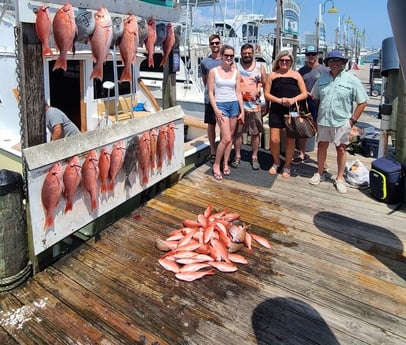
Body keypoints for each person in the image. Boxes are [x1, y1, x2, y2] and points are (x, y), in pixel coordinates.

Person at [309, 50, 368, 193]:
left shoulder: (351, 79)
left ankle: (340, 178)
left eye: (337, 61)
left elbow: (362, 101)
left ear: (343, 63)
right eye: (331, 61)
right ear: (327, 63)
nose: (334, 63)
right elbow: (315, 98)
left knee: (341, 149)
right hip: (323, 119)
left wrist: (352, 121)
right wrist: (315, 117)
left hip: (342, 121)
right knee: (322, 145)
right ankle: (320, 173)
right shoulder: (322, 78)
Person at [263, 50, 308, 178]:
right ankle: (276, 162)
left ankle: (287, 165)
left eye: (287, 61)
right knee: (274, 140)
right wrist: (279, 100)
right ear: (278, 61)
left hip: (292, 111)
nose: (284, 63)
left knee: (290, 140)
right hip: (276, 110)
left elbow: (304, 93)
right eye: (282, 60)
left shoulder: (296, 75)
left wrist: (293, 100)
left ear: (291, 62)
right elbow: (266, 94)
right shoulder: (272, 75)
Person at [207, 44, 244, 180]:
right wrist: (216, 109)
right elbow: (211, 93)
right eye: (226, 55)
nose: (229, 58)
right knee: (226, 138)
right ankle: (216, 165)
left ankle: (225, 163)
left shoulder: (236, 72)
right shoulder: (214, 71)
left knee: (231, 137)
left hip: (234, 104)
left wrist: (242, 110)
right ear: (221, 56)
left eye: (231, 56)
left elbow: (238, 92)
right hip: (221, 105)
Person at [231, 44, 269, 170]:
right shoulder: (235, 66)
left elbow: (266, 85)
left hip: (255, 107)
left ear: (253, 53)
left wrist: (267, 104)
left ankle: (254, 157)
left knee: (255, 133)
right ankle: (237, 155)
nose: (247, 55)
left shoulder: (260, 67)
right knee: (237, 133)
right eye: (244, 53)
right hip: (238, 107)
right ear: (241, 54)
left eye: (249, 53)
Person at [294, 45, 329, 165]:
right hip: (305, 103)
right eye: (308, 55)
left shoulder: (325, 70)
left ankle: (322, 160)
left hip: (320, 104)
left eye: (313, 54)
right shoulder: (301, 71)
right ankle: (302, 153)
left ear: (318, 55)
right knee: (303, 129)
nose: (311, 57)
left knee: (321, 132)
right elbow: (297, 87)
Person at [200, 34, 222, 164]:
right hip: (209, 99)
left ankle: (223, 150)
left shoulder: (226, 59)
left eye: (217, 43)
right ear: (209, 45)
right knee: (211, 125)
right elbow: (204, 79)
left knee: (224, 126)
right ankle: (213, 151)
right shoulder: (205, 62)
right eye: (212, 43)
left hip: (223, 99)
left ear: (220, 43)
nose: (215, 45)